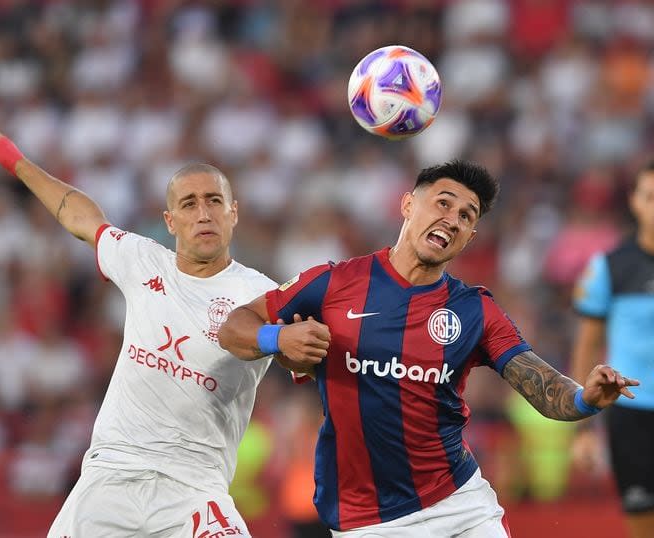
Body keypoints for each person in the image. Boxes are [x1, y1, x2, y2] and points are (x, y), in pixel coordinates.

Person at [217, 159, 639, 537]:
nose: (452, 219)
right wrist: (277, 339)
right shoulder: (334, 283)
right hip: (367, 520)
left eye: (465, 216)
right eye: (443, 203)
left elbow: (545, 389)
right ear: (407, 205)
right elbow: (235, 326)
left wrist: (587, 398)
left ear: (469, 236)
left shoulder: (475, 310)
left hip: (460, 503)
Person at [0, 125, 278, 538]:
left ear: (234, 212)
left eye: (214, 201)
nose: (204, 213)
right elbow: (79, 216)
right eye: (189, 204)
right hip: (111, 475)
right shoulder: (142, 261)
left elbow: (303, 354)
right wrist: (15, 160)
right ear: (170, 221)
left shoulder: (263, 294)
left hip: (193, 488)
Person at [571, 161, 654, 538]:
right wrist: (582, 428)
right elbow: (587, 347)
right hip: (631, 415)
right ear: (635, 202)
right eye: (650, 197)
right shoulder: (609, 268)